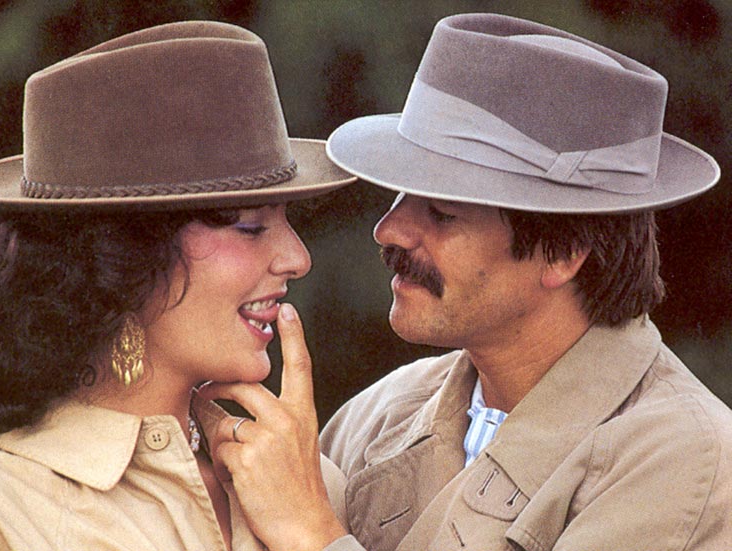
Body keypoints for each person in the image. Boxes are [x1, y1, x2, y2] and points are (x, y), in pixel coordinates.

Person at [197, 13, 732, 551]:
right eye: (400, 196)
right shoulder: (379, 414)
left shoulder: (686, 462)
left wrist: (310, 533)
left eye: (442, 212)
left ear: (564, 253)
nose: (389, 230)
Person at [0, 21, 355, 551]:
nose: (297, 258)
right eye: (250, 227)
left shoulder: (312, 492)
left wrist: (314, 537)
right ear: (123, 258)